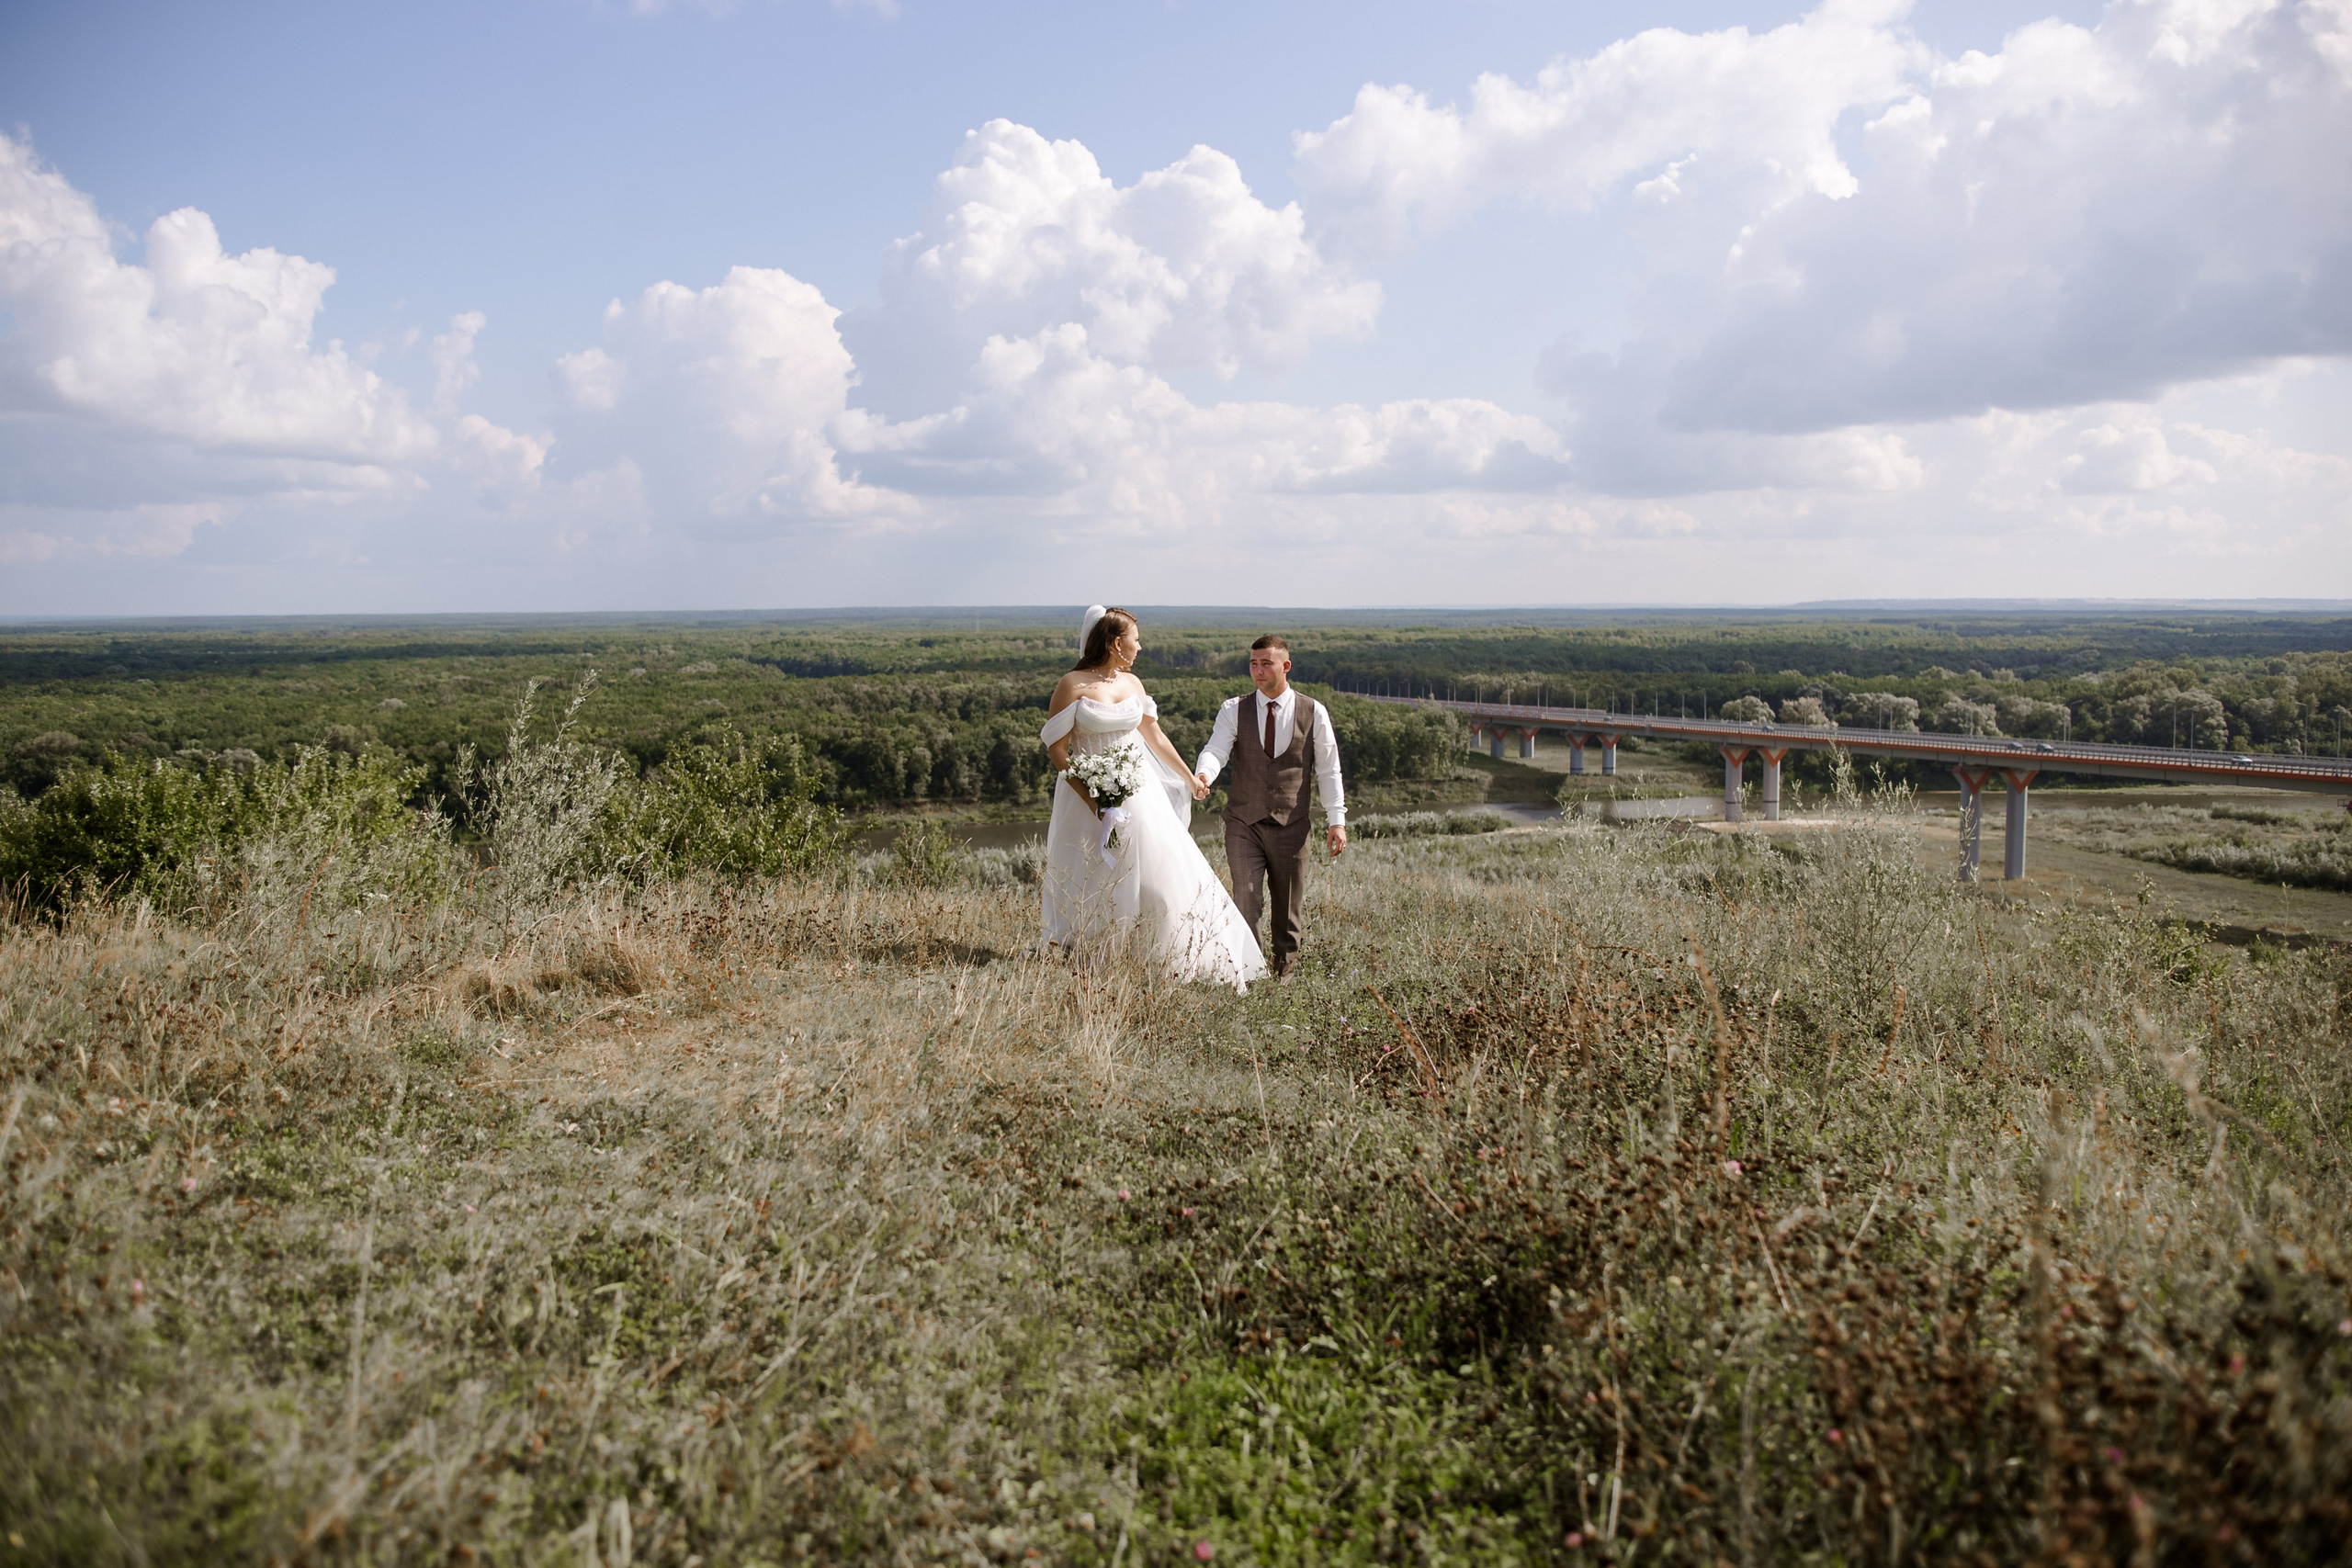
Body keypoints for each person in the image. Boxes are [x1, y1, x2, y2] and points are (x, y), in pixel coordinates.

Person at [1038, 606, 1268, 989]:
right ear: (1116, 643)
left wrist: (1189, 777)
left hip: (1140, 793)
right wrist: (1094, 798)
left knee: (1162, 874)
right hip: (1088, 797)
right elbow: (1058, 750)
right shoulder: (1072, 685)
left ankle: (1164, 956)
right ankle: (1094, 956)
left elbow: (1154, 737)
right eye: (1136, 639)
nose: (1140, 646)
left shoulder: (1132, 684)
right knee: (1095, 874)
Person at [1192, 634, 1347, 980]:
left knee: (1287, 915)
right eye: (1253, 664)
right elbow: (1216, 749)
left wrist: (1336, 820)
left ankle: (1283, 983)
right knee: (1246, 901)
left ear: (1285, 666)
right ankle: (1249, 976)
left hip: (1292, 828)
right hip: (1244, 823)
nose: (1258, 671)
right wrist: (1204, 774)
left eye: (1266, 664)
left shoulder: (1313, 711)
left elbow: (1328, 768)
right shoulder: (1234, 709)